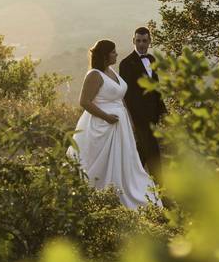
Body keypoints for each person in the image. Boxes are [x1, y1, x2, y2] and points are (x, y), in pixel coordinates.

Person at [68, 39, 160, 209]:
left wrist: (130, 122)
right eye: (113, 52)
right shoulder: (94, 74)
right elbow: (85, 102)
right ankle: (102, 195)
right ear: (105, 55)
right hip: (102, 126)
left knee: (124, 162)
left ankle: (126, 191)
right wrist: (106, 117)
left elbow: (121, 98)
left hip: (120, 125)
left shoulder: (111, 71)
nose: (116, 54)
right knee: (102, 164)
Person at [118, 26, 166, 178]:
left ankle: (131, 184)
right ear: (133, 41)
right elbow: (126, 95)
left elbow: (156, 88)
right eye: (138, 41)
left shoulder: (152, 59)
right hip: (138, 118)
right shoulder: (125, 64)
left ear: (149, 41)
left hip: (153, 117)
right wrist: (131, 119)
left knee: (142, 153)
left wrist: (163, 112)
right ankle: (161, 193)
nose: (141, 44)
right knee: (154, 154)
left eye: (144, 41)